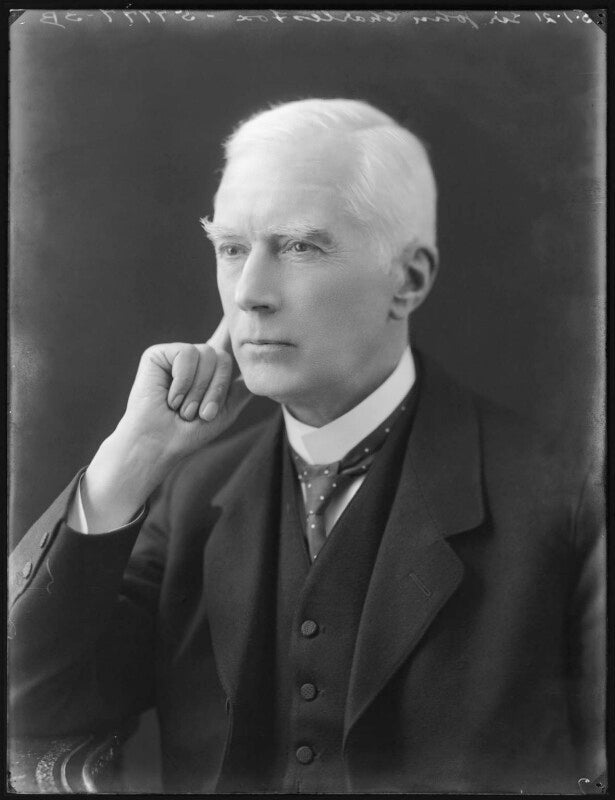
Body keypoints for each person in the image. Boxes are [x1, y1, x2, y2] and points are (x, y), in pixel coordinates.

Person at [9, 99, 605, 794]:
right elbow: (27, 699)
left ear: (407, 279)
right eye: (231, 249)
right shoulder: (194, 495)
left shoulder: (567, 496)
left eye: (298, 247)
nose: (249, 295)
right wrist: (133, 456)